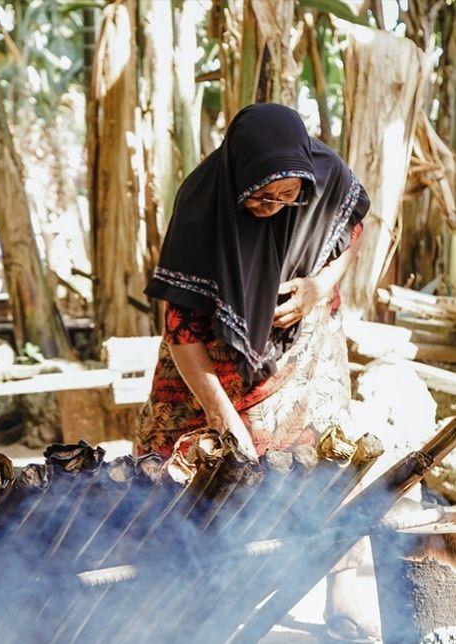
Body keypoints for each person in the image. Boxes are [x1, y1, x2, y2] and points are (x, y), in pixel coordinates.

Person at [136, 103, 378, 641]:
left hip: (305, 346)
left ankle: (343, 592)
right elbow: (181, 327)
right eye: (262, 195)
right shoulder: (203, 204)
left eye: (290, 197)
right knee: (176, 463)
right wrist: (221, 415)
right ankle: (179, 596)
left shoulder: (325, 174)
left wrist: (319, 284)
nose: (275, 206)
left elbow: (354, 227)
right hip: (213, 357)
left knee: (326, 460)